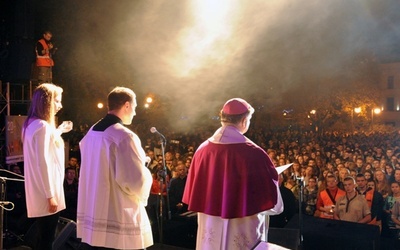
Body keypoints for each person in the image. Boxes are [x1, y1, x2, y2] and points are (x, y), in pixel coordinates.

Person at [182, 98, 283, 250]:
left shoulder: (202, 150)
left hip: (210, 224)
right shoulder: (254, 153)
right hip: (243, 227)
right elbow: (272, 203)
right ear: (243, 120)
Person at [77, 87, 153, 249]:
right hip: (117, 210)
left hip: (94, 206)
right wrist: (144, 168)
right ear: (126, 105)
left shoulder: (91, 132)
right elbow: (134, 180)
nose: (135, 112)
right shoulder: (125, 136)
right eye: (135, 107)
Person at [22, 83, 73, 250]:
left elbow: (41, 149)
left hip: (40, 190)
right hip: (47, 192)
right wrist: (50, 195)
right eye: (57, 101)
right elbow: (42, 161)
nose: (60, 105)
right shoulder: (42, 126)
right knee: (47, 240)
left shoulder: (31, 124)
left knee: (43, 238)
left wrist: (58, 130)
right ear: (47, 102)